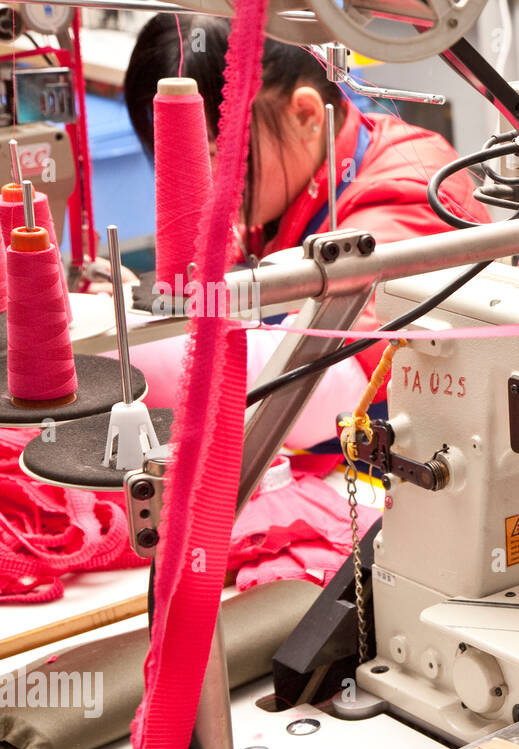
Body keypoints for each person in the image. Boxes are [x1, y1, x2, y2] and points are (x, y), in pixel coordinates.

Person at [121, 14, 489, 447]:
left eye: (214, 154)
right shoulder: (296, 179)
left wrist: (113, 350)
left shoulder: (411, 196)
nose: (195, 180)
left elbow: (324, 387)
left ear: (305, 114)